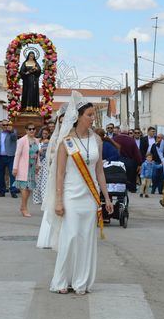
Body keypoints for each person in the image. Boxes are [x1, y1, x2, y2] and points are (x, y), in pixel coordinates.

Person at [48, 94, 113, 294]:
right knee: (71, 236)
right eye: (89, 115)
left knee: (86, 238)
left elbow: (99, 170)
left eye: (93, 115)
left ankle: (80, 282)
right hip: (70, 193)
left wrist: (106, 197)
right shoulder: (65, 142)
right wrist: (59, 200)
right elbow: (60, 174)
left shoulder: (97, 141)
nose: (93, 118)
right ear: (78, 116)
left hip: (90, 196)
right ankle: (61, 281)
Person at [37, 104, 68, 249]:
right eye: (60, 122)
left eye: (64, 121)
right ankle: (50, 236)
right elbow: (49, 157)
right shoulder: (55, 138)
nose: (62, 124)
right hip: (55, 174)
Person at [13, 123, 40, 217]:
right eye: (29, 129)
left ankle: (23, 206)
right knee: (24, 189)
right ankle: (24, 208)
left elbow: (38, 155)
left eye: (33, 129)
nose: (32, 130)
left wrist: (38, 164)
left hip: (32, 169)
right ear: (26, 130)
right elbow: (17, 154)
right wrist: (15, 168)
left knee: (29, 190)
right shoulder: (22, 140)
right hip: (23, 168)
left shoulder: (36, 141)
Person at [0, 120, 18, 198]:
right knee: (0, 175)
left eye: (7, 124)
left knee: (12, 175)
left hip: (10, 157)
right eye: (4, 125)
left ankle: (13, 191)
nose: (5, 126)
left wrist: (11, 131)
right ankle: (2, 191)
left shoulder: (13, 132)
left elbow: (14, 138)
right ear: (1, 126)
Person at [33, 127, 51, 205]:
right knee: (37, 181)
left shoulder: (50, 141)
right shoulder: (38, 141)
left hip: (46, 162)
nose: (45, 135)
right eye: (43, 133)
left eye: (46, 134)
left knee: (44, 181)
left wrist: (41, 151)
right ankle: (37, 199)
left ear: (49, 134)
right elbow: (34, 151)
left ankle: (44, 199)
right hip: (38, 162)